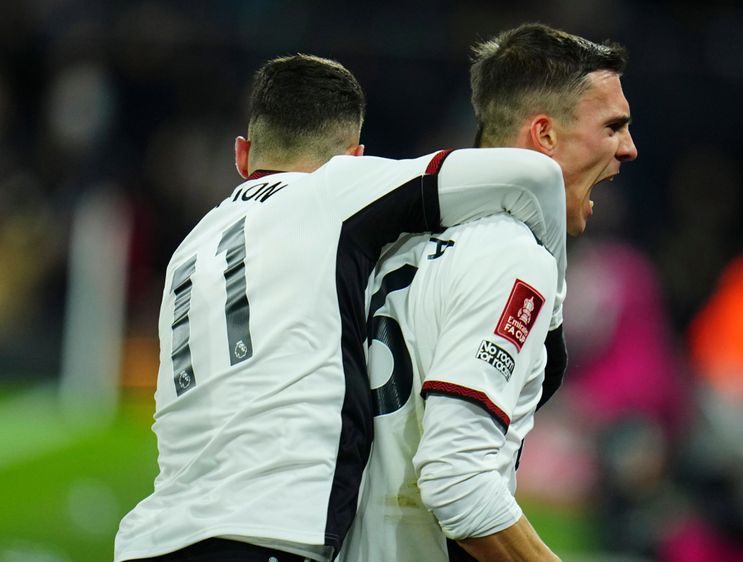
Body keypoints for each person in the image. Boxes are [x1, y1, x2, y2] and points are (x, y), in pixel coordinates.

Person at [114, 54, 571, 562]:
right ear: (356, 157)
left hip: (153, 538)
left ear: (242, 157)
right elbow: (534, 176)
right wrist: (550, 311)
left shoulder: (190, 247)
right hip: (262, 534)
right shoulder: (335, 189)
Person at [339, 23, 637, 561]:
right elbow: (456, 481)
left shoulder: (393, 248)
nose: (629, 149)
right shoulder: (512, 256)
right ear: (544, 135)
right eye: (613, 127)